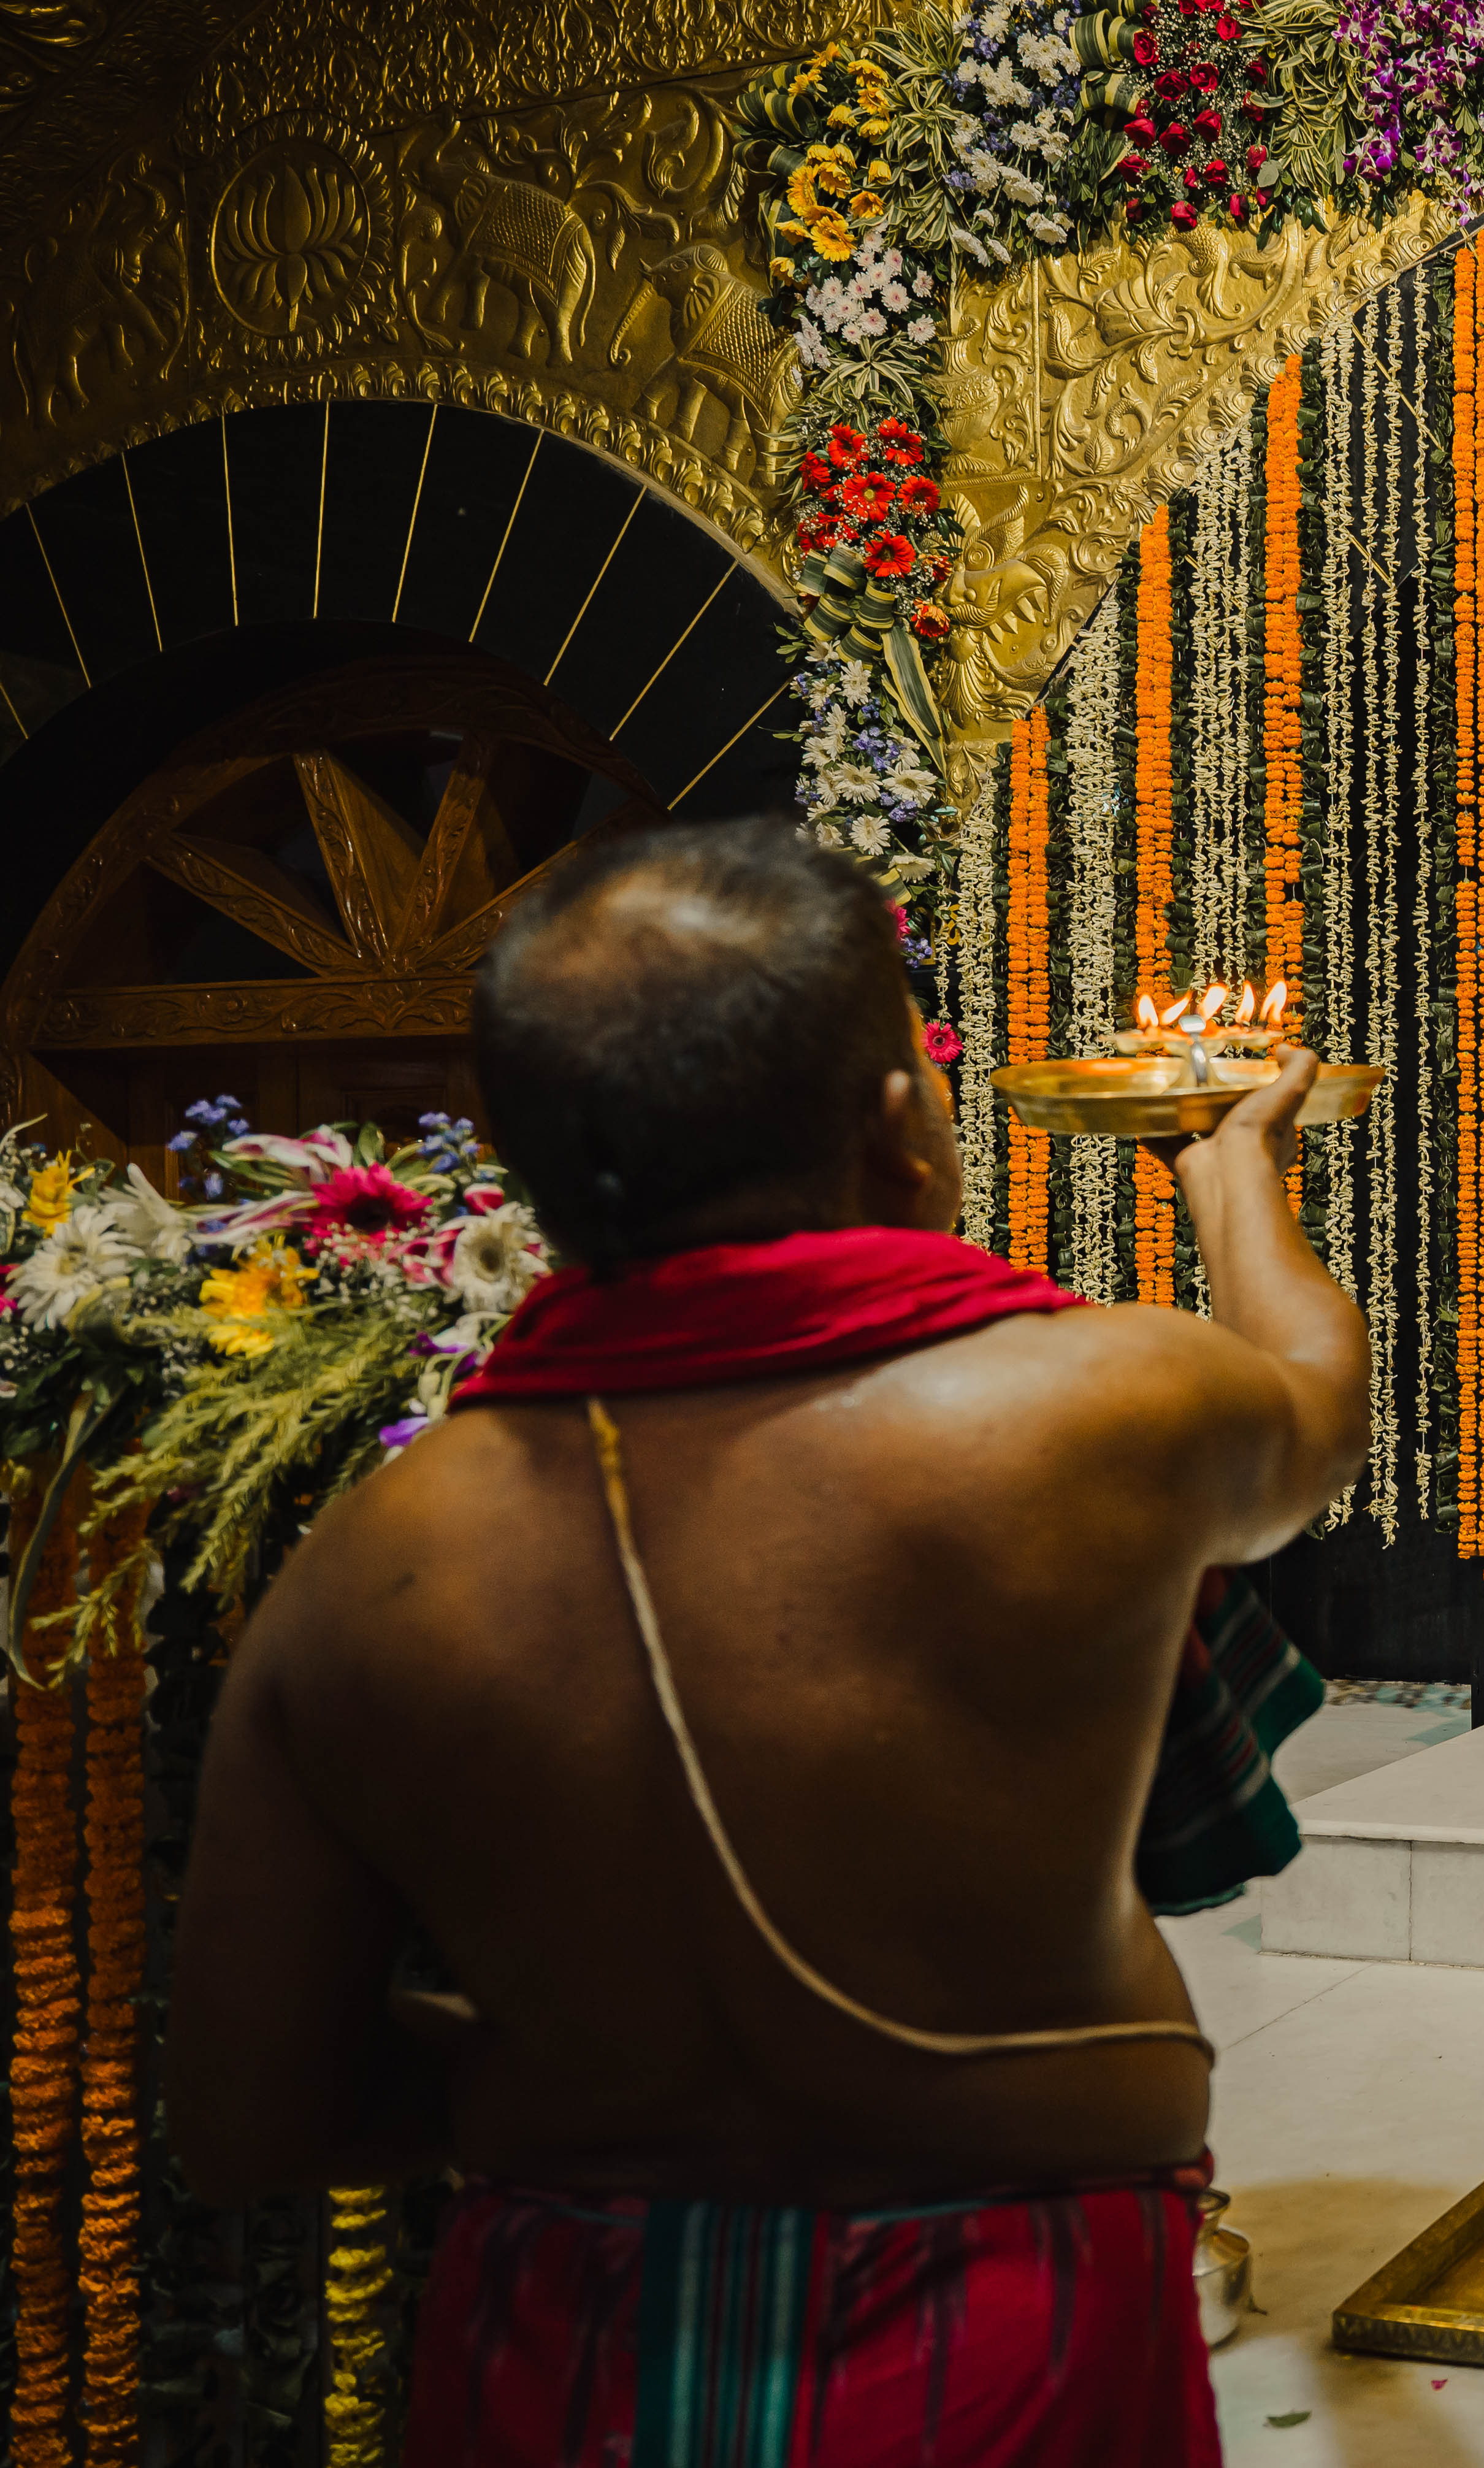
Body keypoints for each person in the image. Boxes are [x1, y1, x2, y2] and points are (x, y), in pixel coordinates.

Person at [163, 821, 1367, 2467]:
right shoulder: (1101, 1407)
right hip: (1013, 2318)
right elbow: (1316, 1397)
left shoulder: (373, 1559)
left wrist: (609, 2082)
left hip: (567, 2334)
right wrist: (1235, 1166)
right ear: (903, 1132)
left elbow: (248, 2115)